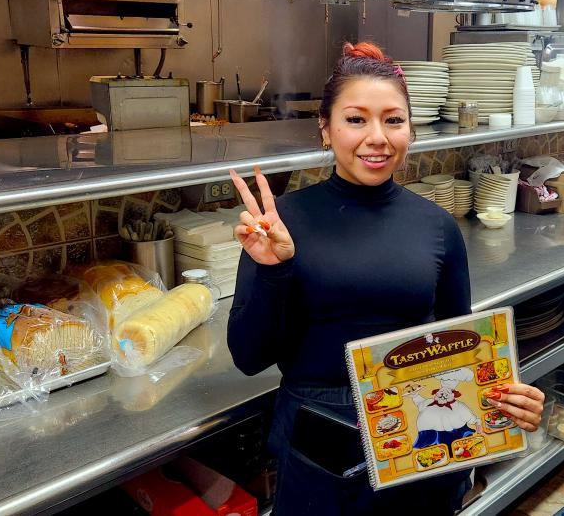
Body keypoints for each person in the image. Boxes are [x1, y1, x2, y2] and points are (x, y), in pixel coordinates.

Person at [227, 42, 545, 515]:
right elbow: (249, 358)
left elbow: (462, 350)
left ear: (410, 130)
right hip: (319, 449)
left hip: (420, 440)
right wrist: (274, 270)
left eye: (393, 120)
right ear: (325, 128)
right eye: (356, 119)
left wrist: (507, 399)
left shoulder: (437, 226)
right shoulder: (280, 225)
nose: (377, 137)